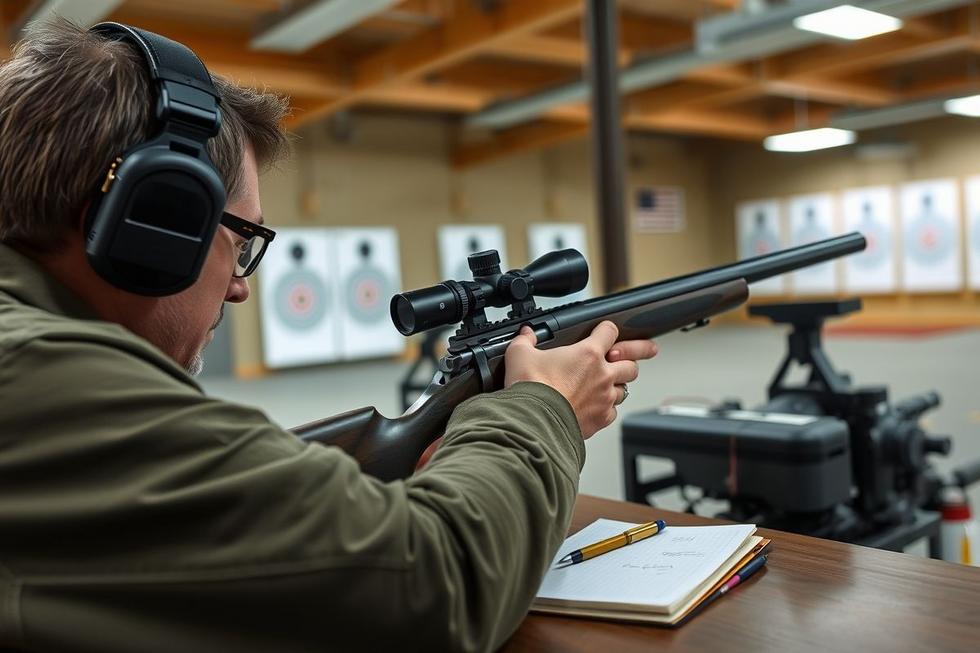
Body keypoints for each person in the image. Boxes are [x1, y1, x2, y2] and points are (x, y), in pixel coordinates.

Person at [0, 19, 658, 653]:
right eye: (240, 240)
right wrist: (545, 409)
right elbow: (436, 585)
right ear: (148, 223)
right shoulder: (35, 373)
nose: (241, 286)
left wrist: (455, 457)